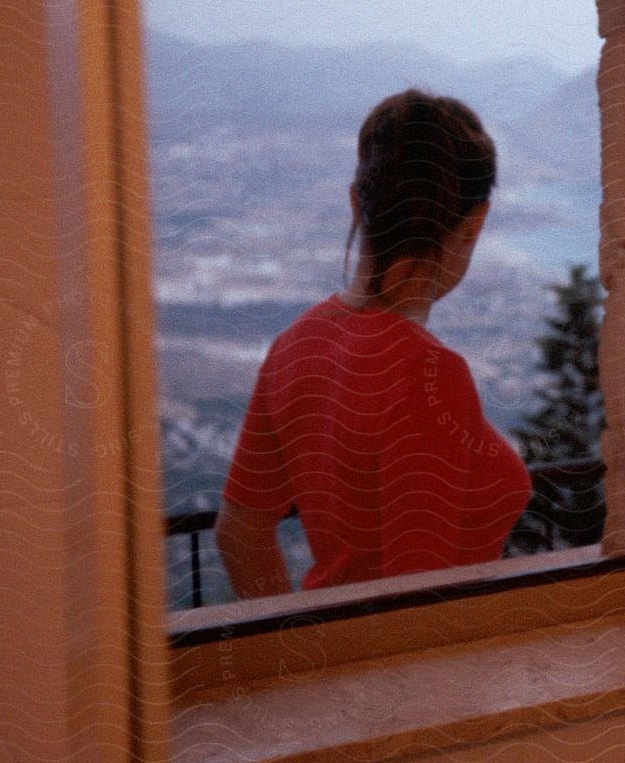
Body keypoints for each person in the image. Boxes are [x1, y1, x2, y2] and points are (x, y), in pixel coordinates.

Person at [214, 88, 534, 599]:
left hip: (341, 656)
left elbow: (239, 532)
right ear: (474, 225)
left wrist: (296, 654)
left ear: (356, 204)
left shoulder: (295, 343)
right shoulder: (429, 374)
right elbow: (416, 606)